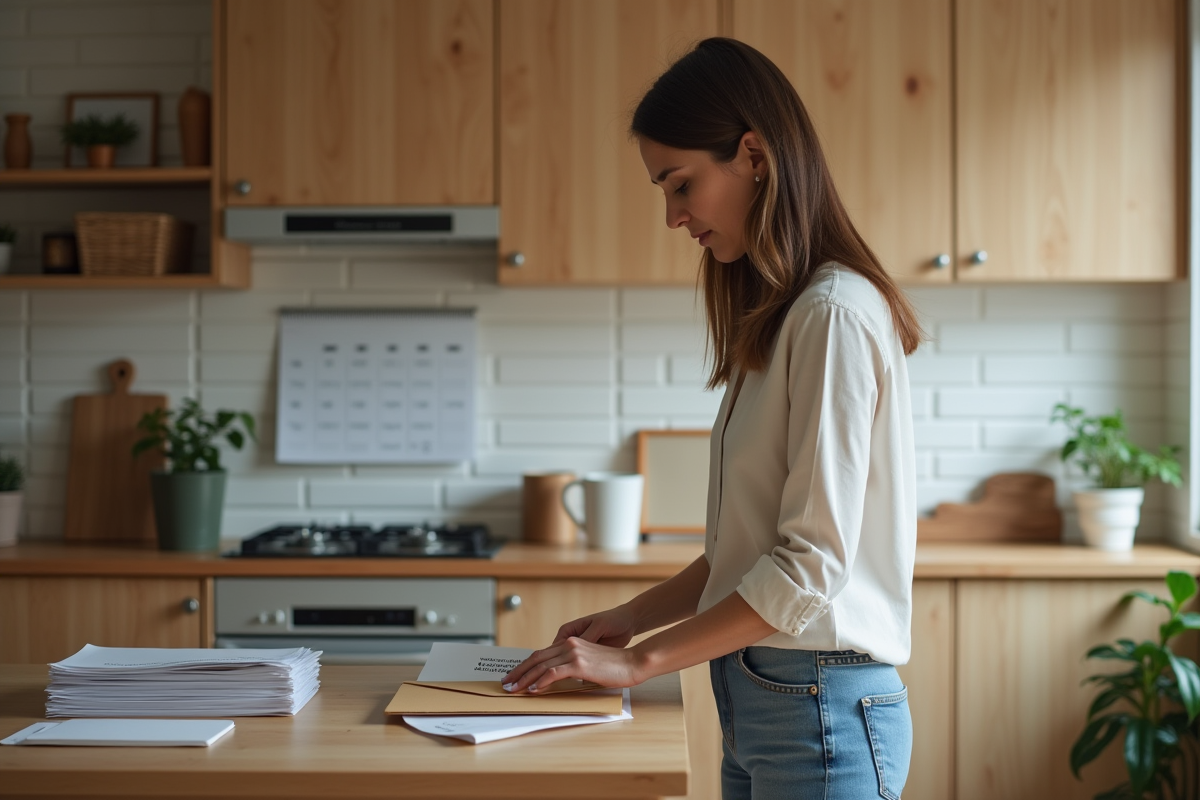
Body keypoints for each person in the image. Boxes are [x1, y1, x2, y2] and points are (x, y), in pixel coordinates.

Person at [502, 37, 922, 800]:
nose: (673, 216)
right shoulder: (787, 318)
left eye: (681, 184)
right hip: (770, 700)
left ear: (753, 156)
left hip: (819, 707)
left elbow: (809, 570)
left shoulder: (832, 315)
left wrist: (638, 662)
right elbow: (746, 554)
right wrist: (629, 618)